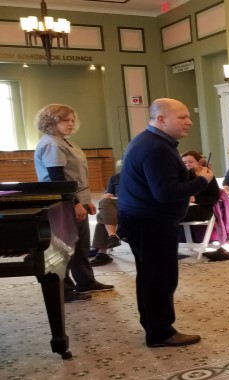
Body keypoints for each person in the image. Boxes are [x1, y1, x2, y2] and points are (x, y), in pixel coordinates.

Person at [118, 98, 214, 348]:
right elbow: (166, 192)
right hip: (152, 222)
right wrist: (201, 181)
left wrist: (191, 175)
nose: (189, 121)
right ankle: (160, 332)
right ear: (161, 119)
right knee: (160, 278)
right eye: (182, 117)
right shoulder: (156, 147)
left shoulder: (149, 140)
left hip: (142, 218)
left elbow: (162, 181)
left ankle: (153, 326)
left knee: (150, 276)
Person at [33, 104, 115, 303]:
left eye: (72, 120)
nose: (71, 124)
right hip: (63, 203)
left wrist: (85, 201)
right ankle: (65, 290)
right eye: (65, 120)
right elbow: (58, 179)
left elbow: (76, 176)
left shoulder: (64, 142)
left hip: (76, 200)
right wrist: (76, 203)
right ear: (51, 122)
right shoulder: (52, 144)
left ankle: (86, 281)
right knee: (65, 247)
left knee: (80, 246)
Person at [89, 169, 121, 267]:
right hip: (117, 206)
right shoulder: (115, 177)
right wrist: (106, 196)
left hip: (136, 205)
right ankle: (112, 237)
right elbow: (107, 195)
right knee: (105, 203)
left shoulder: (143, 175)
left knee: (102, 214)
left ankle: (103, 251)